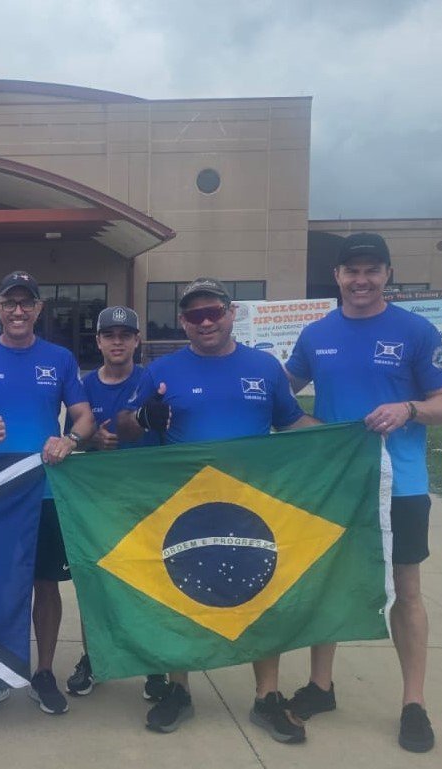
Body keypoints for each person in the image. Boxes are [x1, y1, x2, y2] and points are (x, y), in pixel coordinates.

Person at [117, 277, 318, 743]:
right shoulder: (161, 370)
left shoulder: (265, 367)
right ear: (183, 321)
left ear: (231, 314)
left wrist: (349, 435)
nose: (205, 321)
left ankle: (267, 697)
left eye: (214, 312)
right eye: (194, 315)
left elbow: (292, 423)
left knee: (262, 596)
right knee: (180, 595)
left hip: (254, 503)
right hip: (185, 504)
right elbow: (124, 425)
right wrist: (143, 417)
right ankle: (178, 690)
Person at [284, 233, 442, 753]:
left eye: (372, 270)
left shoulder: (415, 331)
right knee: (328, 582)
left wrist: (409, 409)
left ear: (387, 274)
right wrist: (308, 425)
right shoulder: (316, 335)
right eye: (351, 271)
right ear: (336, 276)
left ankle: (413, 703)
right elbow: (280, 393)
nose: (361, 280)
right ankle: (321, 685)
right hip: (337, 483)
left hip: (401, 485)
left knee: (406, 592)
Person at [0, 270, 95, 716]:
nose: (17, 311)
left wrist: (69, 439)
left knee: (45, 584)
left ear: (38, 309)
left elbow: (84, 416)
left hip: (45, 491)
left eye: (25, 303)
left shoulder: (60, 359)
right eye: (9, 303)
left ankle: (44, 672)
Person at [64, 305, 161, 697]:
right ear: (99, 341)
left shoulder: (152, 378)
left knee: (149, 583)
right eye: (110, 335)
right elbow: (71, 438)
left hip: (147, 497)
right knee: (95, 582)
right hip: (99, 502)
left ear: (137, 340)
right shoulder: (85, 386)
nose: (117, 342)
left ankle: (155, 664)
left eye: (126, 334)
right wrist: (92, 441)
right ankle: (94, 658)